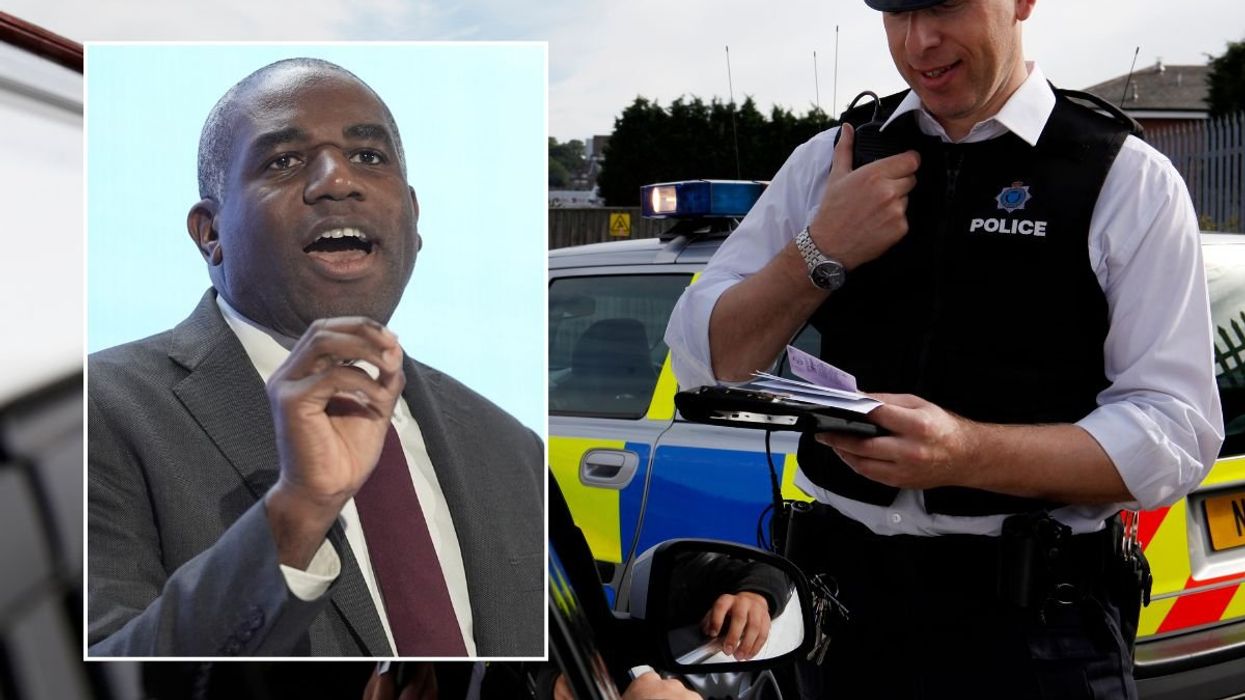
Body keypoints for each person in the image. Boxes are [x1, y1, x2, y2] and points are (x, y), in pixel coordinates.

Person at [664, 0, 1222, 697]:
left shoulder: (1122, 176)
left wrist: (964, 452)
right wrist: (819, 249)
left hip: (1036, 630)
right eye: (894, 13)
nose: (917, 41)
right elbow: (706, 361)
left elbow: (1175, 433)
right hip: (839, 615)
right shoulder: (831, 160)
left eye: (944, 6)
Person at [87, 57, 544, 657]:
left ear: (413, 217)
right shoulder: (98, 411)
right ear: (210, 233)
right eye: (284, 160)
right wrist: (297, 513)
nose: (337, 180)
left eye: (369, 157)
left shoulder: (511, 447)